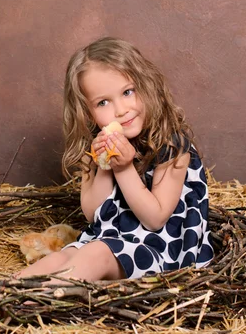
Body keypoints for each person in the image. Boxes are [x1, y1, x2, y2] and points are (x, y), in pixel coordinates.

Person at [16, 36, 214, 283]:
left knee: (96, 252)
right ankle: (5, 295)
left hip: (161, 251)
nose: (120, 110)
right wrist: (104, 165)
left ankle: (46, 297)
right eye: (103, 102)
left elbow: (155, 219)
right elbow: (92, 214)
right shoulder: (97, 145)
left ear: (147, 86)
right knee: (62, 257)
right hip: (109, 240)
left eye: (128, 92)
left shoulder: (172, 144)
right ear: (87, 112)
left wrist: (123, 168)